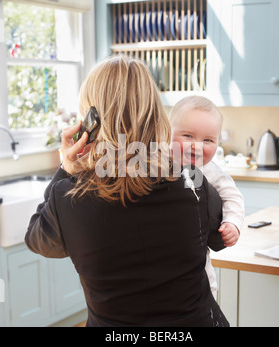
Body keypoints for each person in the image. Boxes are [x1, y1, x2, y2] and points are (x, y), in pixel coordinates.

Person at [25, 55, 229, 327]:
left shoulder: (67, 197)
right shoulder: (193, 182)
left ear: (91, 122)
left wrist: (66, 167)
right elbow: (219, 239)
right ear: (155, 113)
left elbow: (39, 241)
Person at [170, 96, 245, 299]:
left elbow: (233, 197)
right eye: (187, 135)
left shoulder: (210, 171)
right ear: (167, 133)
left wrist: (232, 223)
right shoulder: (156, 162)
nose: (197, 146)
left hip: (198, 273)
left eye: (208, 140)